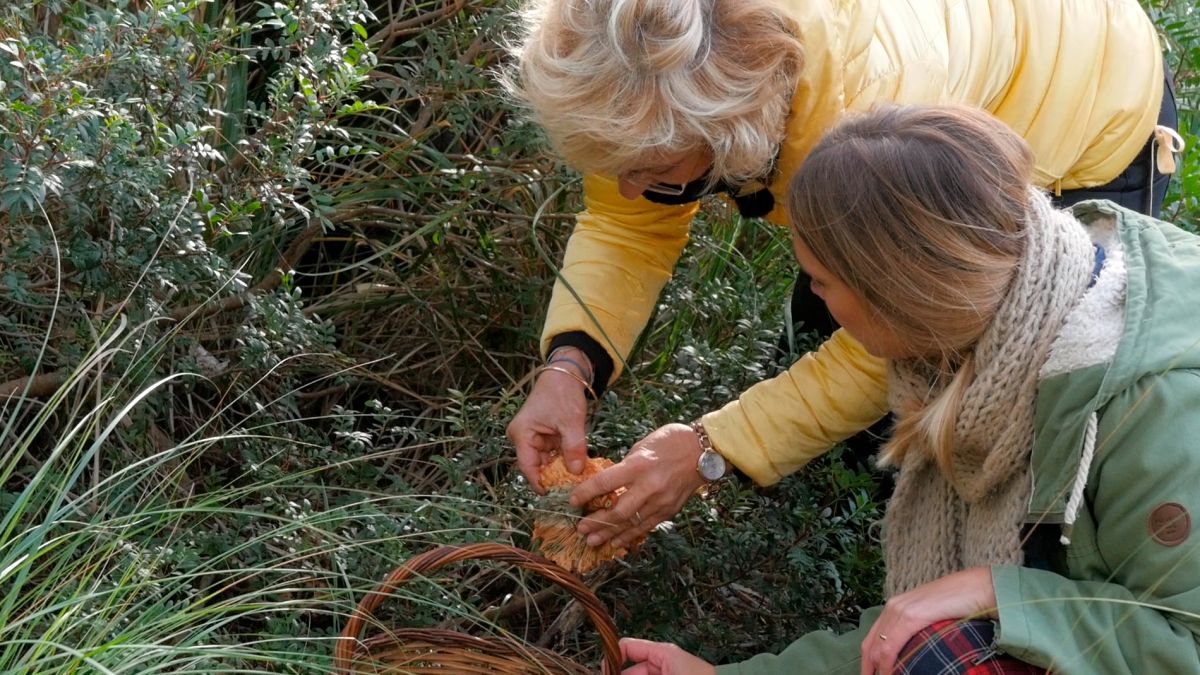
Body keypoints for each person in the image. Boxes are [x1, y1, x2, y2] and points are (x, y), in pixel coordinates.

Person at [503, 0, 1182, 550]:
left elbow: (896, 330)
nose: (625, 187)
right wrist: (570, 366)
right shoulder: (647, 69)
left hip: (1089, 98)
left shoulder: (863, 117)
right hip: (918, 112)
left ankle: (997, 585)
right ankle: (835, 534)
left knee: (1008, 411)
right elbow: (629, 225)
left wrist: (714, 449)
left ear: (729, 131)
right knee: (834, 320)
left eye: (644, 169)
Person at [615, 104, 1200, 674]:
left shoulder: (1154, 405)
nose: (814, 299)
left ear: (899, 293)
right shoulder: (986, 350)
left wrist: (999, 593)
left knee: (947, 658)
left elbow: (1186, 640)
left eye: (820, 280)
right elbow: (912, 625)